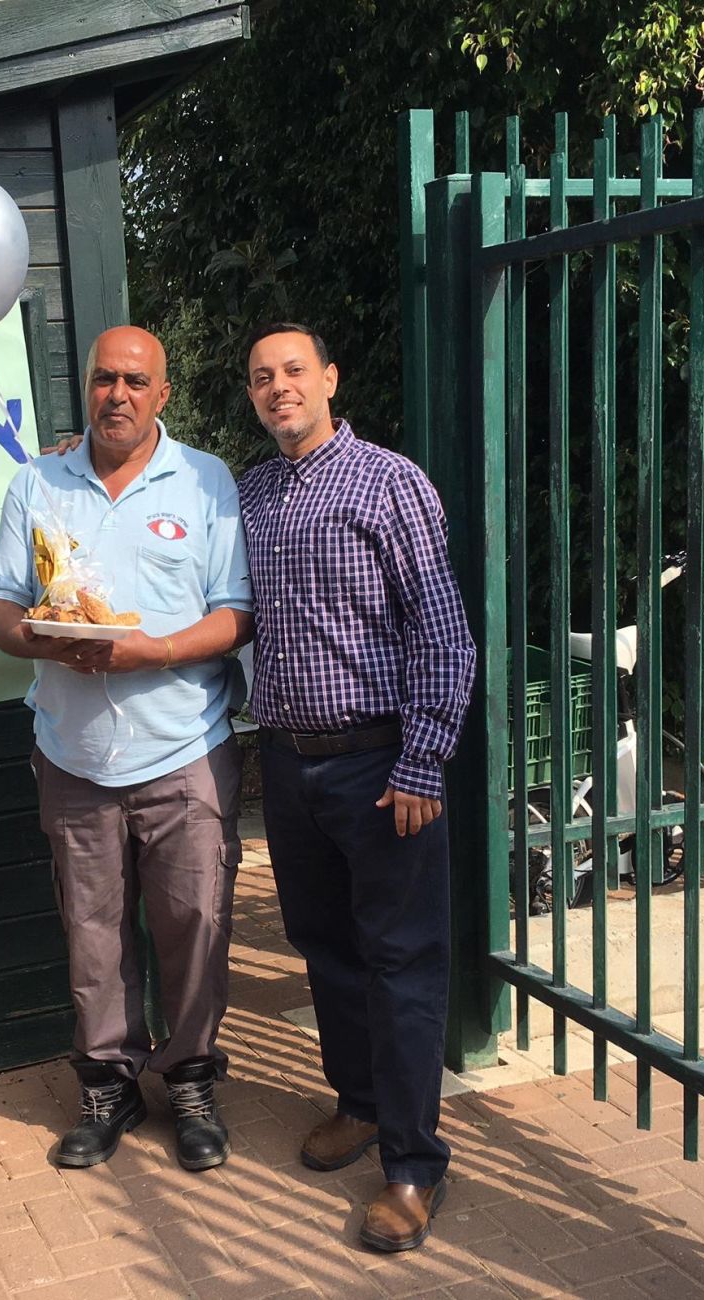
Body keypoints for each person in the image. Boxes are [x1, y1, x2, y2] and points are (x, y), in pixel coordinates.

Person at [0, 325, 254, 1171]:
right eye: (105, 379)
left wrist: (155, 651)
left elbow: (236, 612)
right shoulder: (38, 483)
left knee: (196, 923)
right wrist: (42, 639)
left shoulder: (205, 481)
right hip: (74, 755)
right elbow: (0, 608)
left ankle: (193, 1082)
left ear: (163, 394)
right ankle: (109, 1087)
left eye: (137, 382)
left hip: (186, 750)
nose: (119, 395)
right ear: (88, 387)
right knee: (93, 934)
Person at [239, 322, 475, 1252]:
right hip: (289, 763)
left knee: (401, 962)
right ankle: (361, 1102)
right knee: (325, 947)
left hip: (383, 766)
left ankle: (415, 1166)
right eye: (263, 376)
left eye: (295, 370)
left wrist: (422, 758)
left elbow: (442, 629)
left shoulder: (389, 482)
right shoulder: (251, 494)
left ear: (330, 379)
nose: (280, 386)